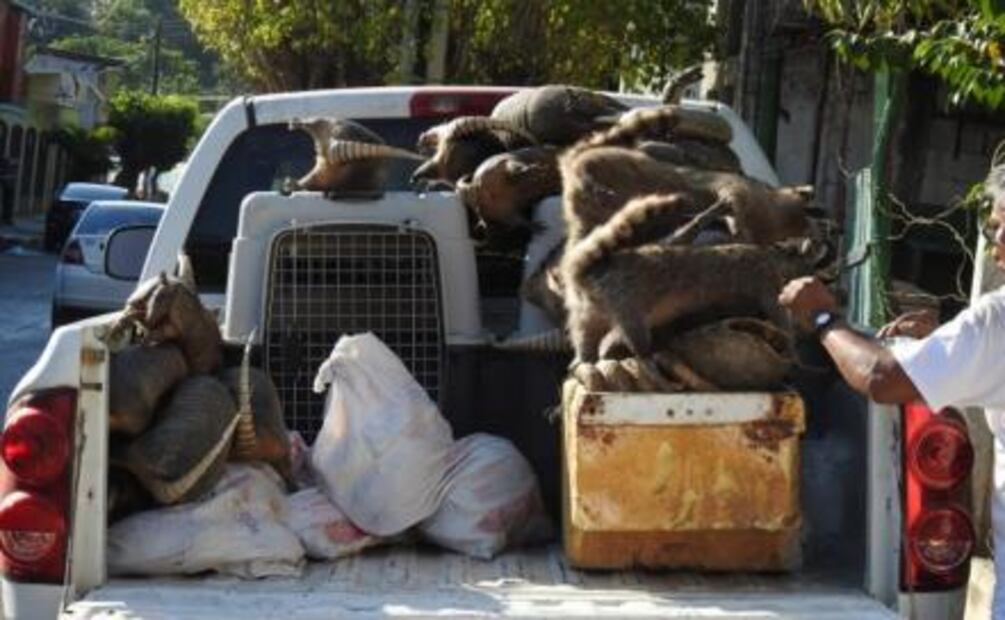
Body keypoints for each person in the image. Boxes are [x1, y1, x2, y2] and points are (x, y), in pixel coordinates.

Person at [778, 162, 1005, 615]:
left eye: (1001, 226)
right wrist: (944, 342)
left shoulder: (997, 322)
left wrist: (824, 319)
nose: (996, 245)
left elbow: (882, 380)